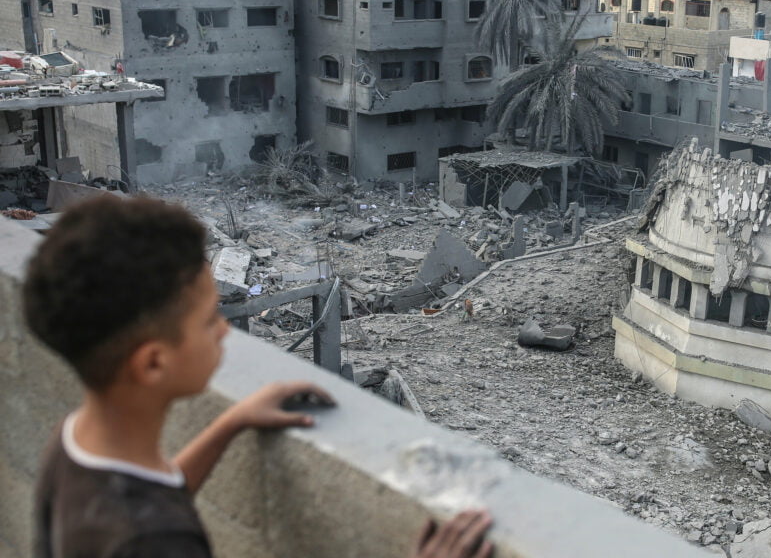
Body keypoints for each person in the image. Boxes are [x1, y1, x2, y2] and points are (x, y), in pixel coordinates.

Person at [23, 195, 492, 558]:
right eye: (209, 321)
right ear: (152, 363)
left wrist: (229, 423)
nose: (224, 332)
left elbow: (154, 493)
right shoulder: (158, 541)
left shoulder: (74, 443)